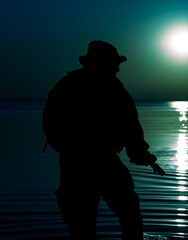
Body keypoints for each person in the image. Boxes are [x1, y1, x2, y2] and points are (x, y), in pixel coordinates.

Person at [42, 40, 158, 240]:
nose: (118, 68)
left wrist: (139, 152)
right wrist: (139, 153)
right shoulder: (112, 87)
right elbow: (130, 125)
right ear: (103, 62)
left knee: (82, 223)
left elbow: (49, 124)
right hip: (100, 161)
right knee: (127, 210)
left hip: (74, 162)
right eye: (115, 63)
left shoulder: (67, 84)